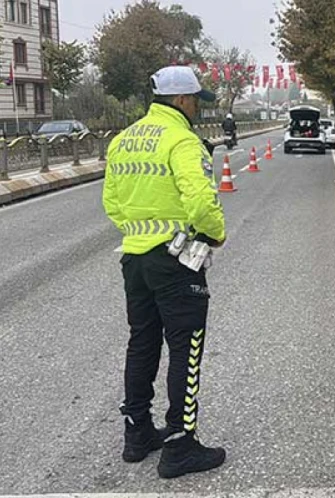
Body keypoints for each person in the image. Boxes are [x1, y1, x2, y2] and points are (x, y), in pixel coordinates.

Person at [102, 65, 227, 479]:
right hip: (175, 262)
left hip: (135, 259)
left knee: (142, 343)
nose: (197, 108)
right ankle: (180, 444)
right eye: (195, 100)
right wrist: (215, 233)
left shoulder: (123, 140)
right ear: (181, 100)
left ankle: (137, 434)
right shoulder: (183, 141)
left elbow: (112, 202)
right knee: (186, 348)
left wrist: (140, 230)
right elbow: (200, 200)